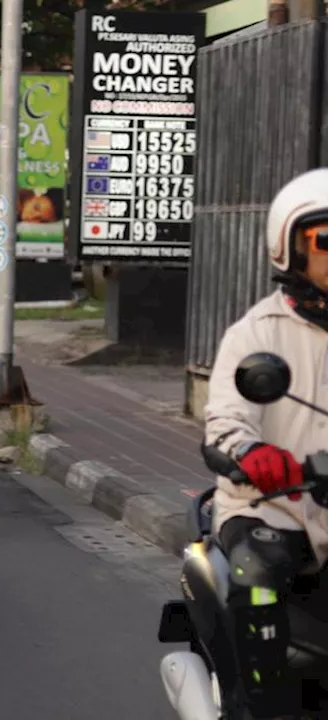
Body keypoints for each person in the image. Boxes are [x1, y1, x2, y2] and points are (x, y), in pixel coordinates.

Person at [202, 168, 328, 718]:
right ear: (290, 249)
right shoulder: (256, 334)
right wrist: (255, 456)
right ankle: (259, 706)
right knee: (256, 577)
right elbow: (227, 420)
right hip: (273, 506)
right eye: (326, 240)